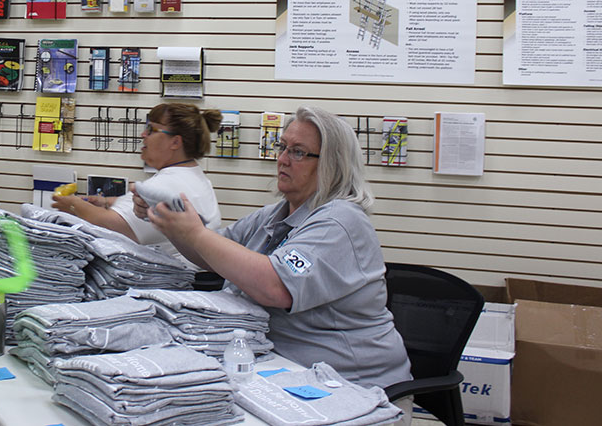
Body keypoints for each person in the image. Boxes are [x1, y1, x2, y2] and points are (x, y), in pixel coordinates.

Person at [140, 105, 411, 391]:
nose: (282, 159)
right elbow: (210, 256)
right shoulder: (276, 214)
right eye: (282, 148)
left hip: (351, 386)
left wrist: (194, 233)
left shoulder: (341, 221)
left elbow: (276, 287)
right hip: (285, 371)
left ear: (332, 163)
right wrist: (169, 222)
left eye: (298, 152)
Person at [52, 103, 223, 267]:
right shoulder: (194, 177)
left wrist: (74, 205)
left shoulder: (164, 184)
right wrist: (107, 202)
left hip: (166, 281)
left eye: (151, 130)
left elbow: (111, 225)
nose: (143, 134)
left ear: (175, 142)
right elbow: (148, 211)